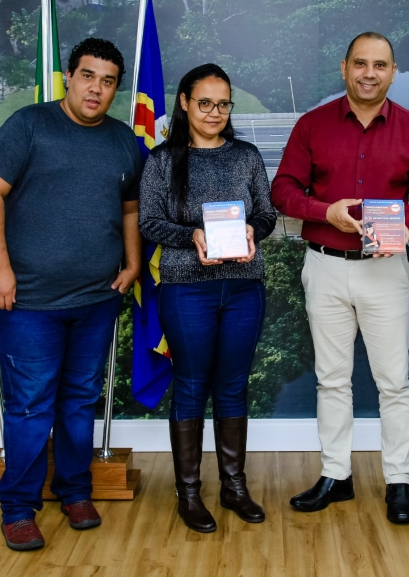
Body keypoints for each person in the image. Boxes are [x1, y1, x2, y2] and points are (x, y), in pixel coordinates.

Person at [0, 38, 142, 551]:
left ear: (116, 87)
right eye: (88, 75)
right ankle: (18, 508)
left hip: (95, 299)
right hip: (29, 304)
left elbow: (131, 207)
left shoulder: (122, 140)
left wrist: (134, 263)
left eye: (108, 80)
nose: (97, 88)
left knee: (78, 404)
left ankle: (74, 492)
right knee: (30, 407)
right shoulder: (29, 124)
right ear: (69, 77)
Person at [271, 32, 409, 523]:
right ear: (344, 68)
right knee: (332, 381)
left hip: (385, 269)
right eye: (361, 64)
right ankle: (335, 475)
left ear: (393, 71)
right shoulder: (312, 125)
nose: (370, 73)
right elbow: (283, 189)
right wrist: (326, 210)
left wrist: (397, 219)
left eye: (380, 65)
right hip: (324, 266)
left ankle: (398, 481)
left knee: (394, 383)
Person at [139, 63, 277, 533]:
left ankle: (234, 488)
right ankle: (190, 494)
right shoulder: (161, 161)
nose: (214, 112)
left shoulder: (246, 156)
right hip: (185, 288)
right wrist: (192, 235)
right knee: (194, 385)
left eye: (223, 104)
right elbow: (148, 223)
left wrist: (252, 232)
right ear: (184, 103)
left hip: (243, 286)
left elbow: (267, 213)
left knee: (233, 385)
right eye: (204, 103)